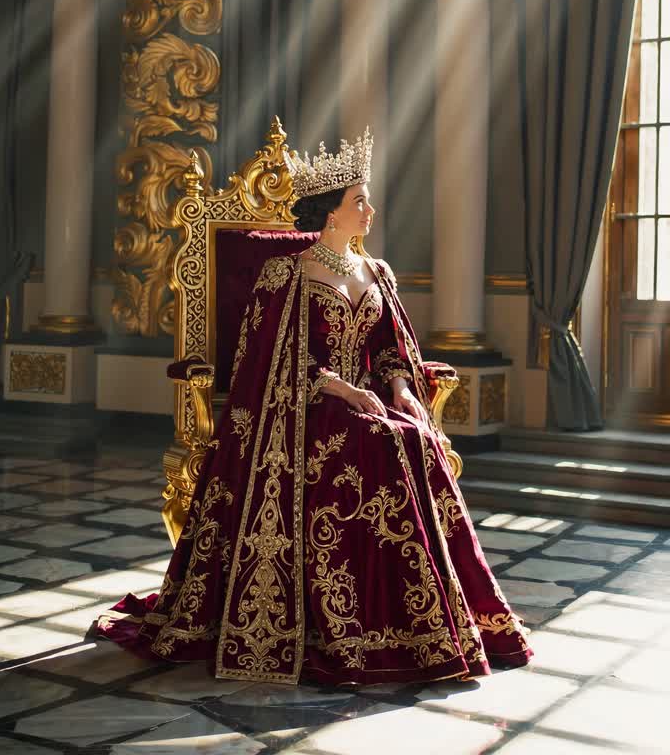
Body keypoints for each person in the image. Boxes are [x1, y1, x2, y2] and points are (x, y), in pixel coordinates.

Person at [97, 130, 532, 685]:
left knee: (413, 433)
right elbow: (265, 362)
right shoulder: (288, 275)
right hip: (304, 409)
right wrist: (343, 390)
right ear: (331, 214)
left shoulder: (377, 273)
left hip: (370, 398)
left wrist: (399, 387)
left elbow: (389, 351)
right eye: (359, 201)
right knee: (383, 441)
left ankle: (414, 617)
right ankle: (349, 622)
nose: (370, 210)